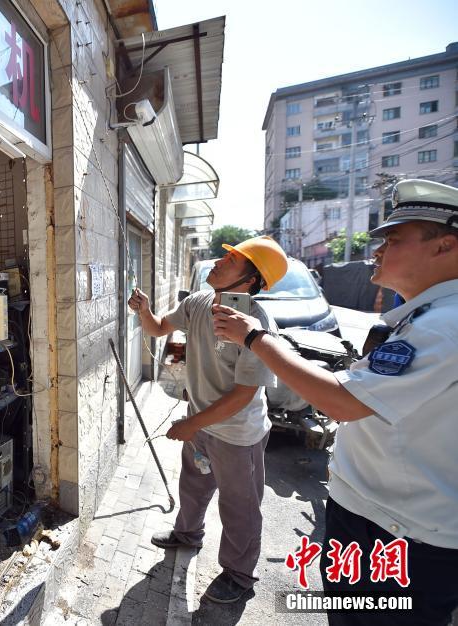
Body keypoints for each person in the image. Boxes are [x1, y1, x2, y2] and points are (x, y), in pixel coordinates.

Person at [213, 180, 458, 625]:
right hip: (369, 519)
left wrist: (254, 338)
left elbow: (343, 402)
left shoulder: (445, 327)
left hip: (402, 537)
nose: (377, 250)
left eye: (394, 239)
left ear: (445, 246)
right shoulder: (421, 317)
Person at [128, 235, 288, 603]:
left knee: (239, 506)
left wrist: (192, 424)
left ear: (250, 281)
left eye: (231, 261)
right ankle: (188, 535)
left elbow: (244, 394)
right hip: (200, 425)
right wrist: (144, 310)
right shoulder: (198, 302)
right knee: (194, 486)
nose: (219, 261)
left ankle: (238, 575)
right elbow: (156, 328)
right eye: (225, 255)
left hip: (237, 434)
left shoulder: (256, 325)